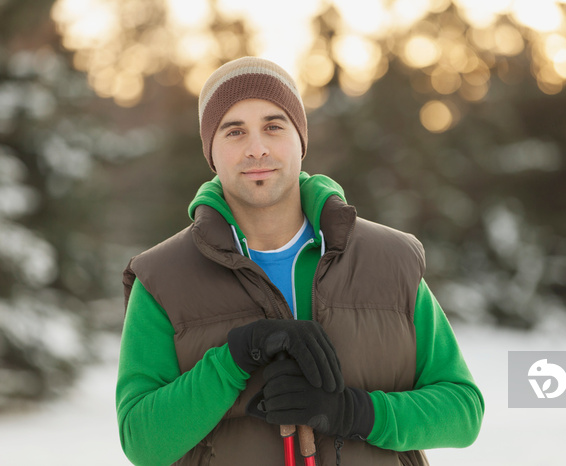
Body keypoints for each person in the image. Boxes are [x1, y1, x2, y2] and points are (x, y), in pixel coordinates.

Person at [116, 56, 484, 466]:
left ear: (300, 139)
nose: (257, 148)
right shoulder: (162, 278)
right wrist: (235, 357)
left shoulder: (389, 260)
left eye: (274, 126)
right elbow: (142, 442)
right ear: (212, 152)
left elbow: (462, 409)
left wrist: (355, 411)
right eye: (234, 131)